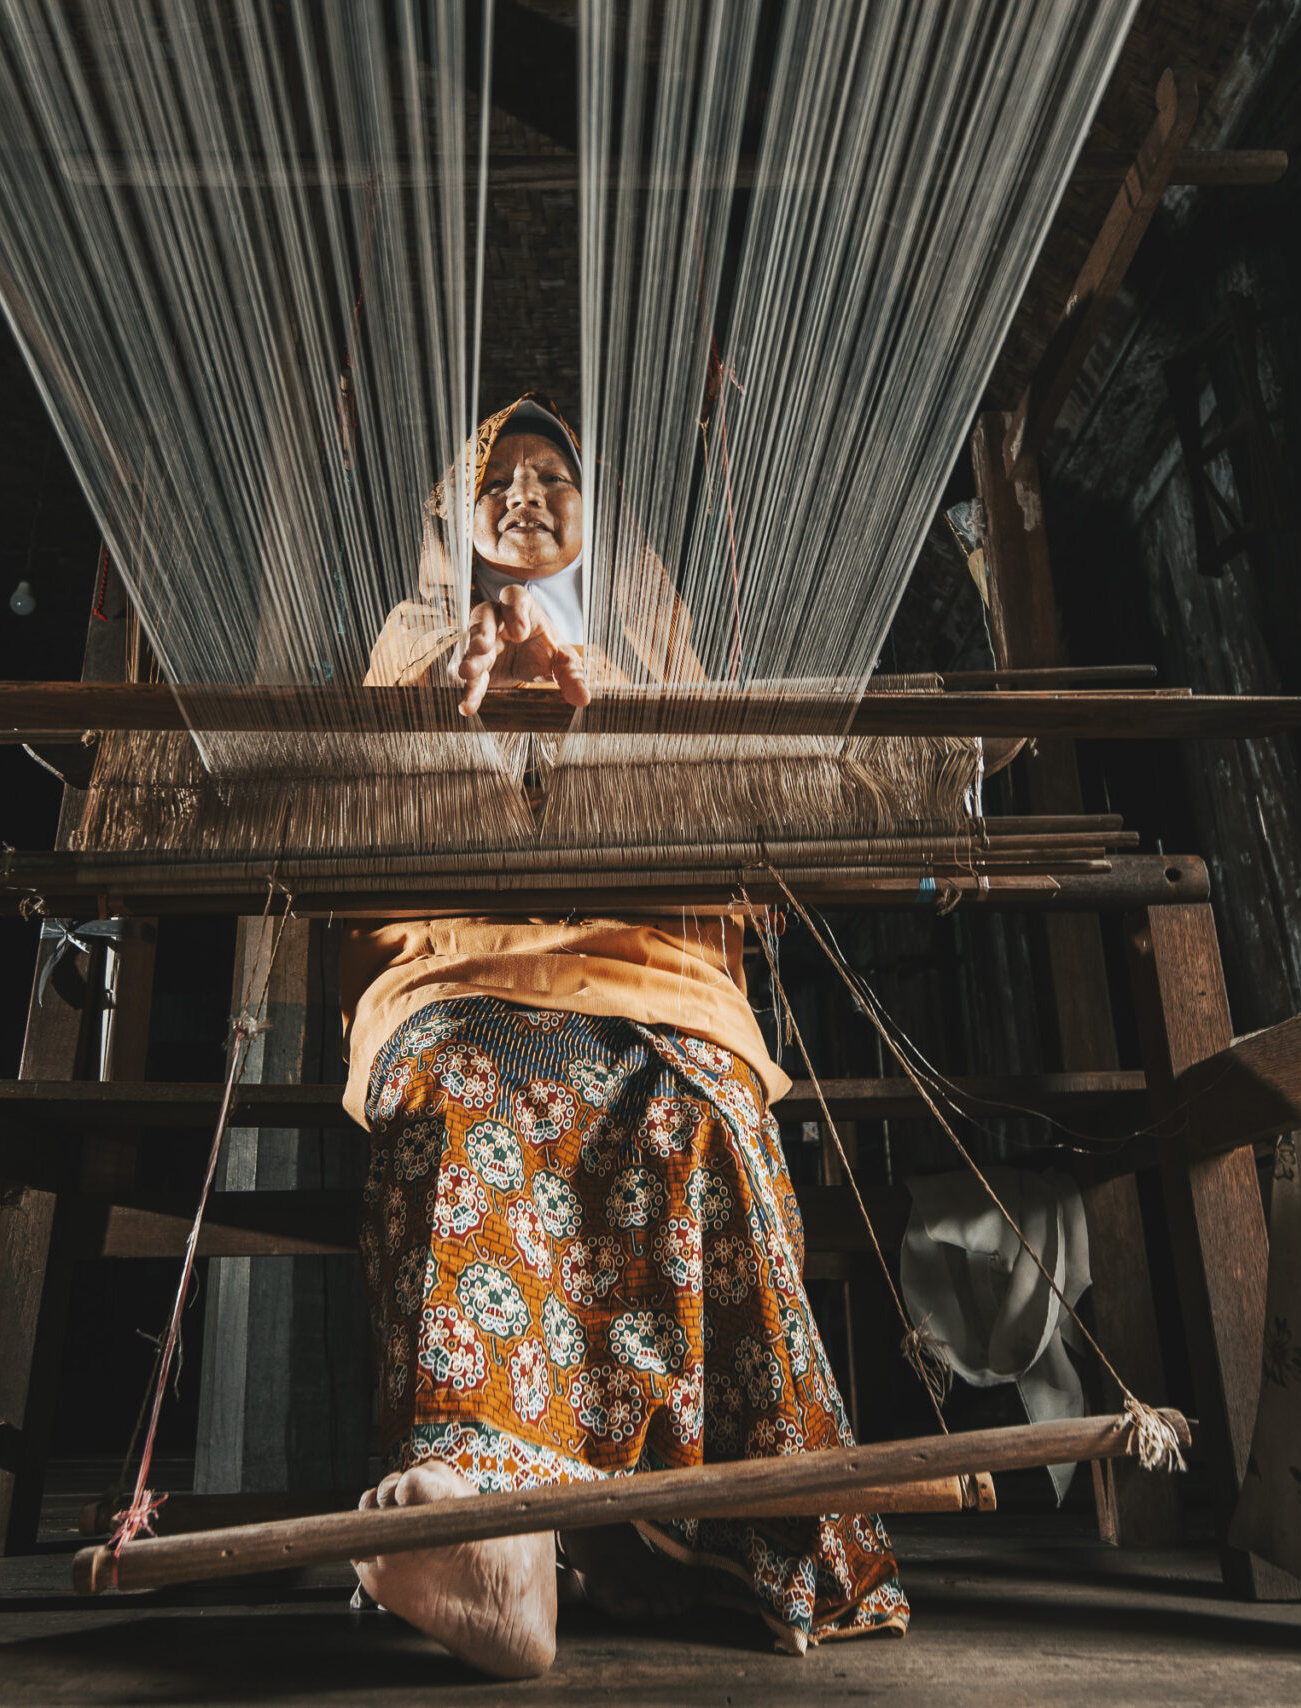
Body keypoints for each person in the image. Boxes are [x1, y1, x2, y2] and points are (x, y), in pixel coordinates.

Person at [342, 399, 907, 1677]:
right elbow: (358, 796)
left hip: (643, 969)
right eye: (501, 478)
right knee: (468, 1088)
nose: (528, 494)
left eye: (554, 476)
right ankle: (489, 1526)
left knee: (701, 1104)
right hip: (465, 964)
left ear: (596, 519)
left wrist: (611, 714)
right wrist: (453, 695)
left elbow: (724, 811)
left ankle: (688, 1534)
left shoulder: (657, 646)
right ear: (456, 518)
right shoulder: (415, 640)